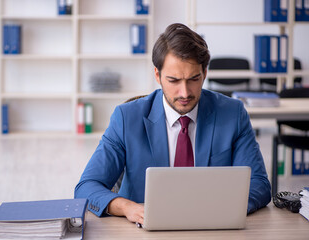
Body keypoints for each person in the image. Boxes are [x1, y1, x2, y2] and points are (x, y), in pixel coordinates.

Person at [75, 23, 271, 225]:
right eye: (174, 80)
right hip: (142, 231)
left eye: (193, 79)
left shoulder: (233, 114)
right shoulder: (126, 118)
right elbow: (87, 187)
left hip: (212, 227)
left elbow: (259, 185)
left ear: (204, 72)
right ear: (158, 76)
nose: (185, 93)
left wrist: (221, 208)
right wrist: (127, 208)